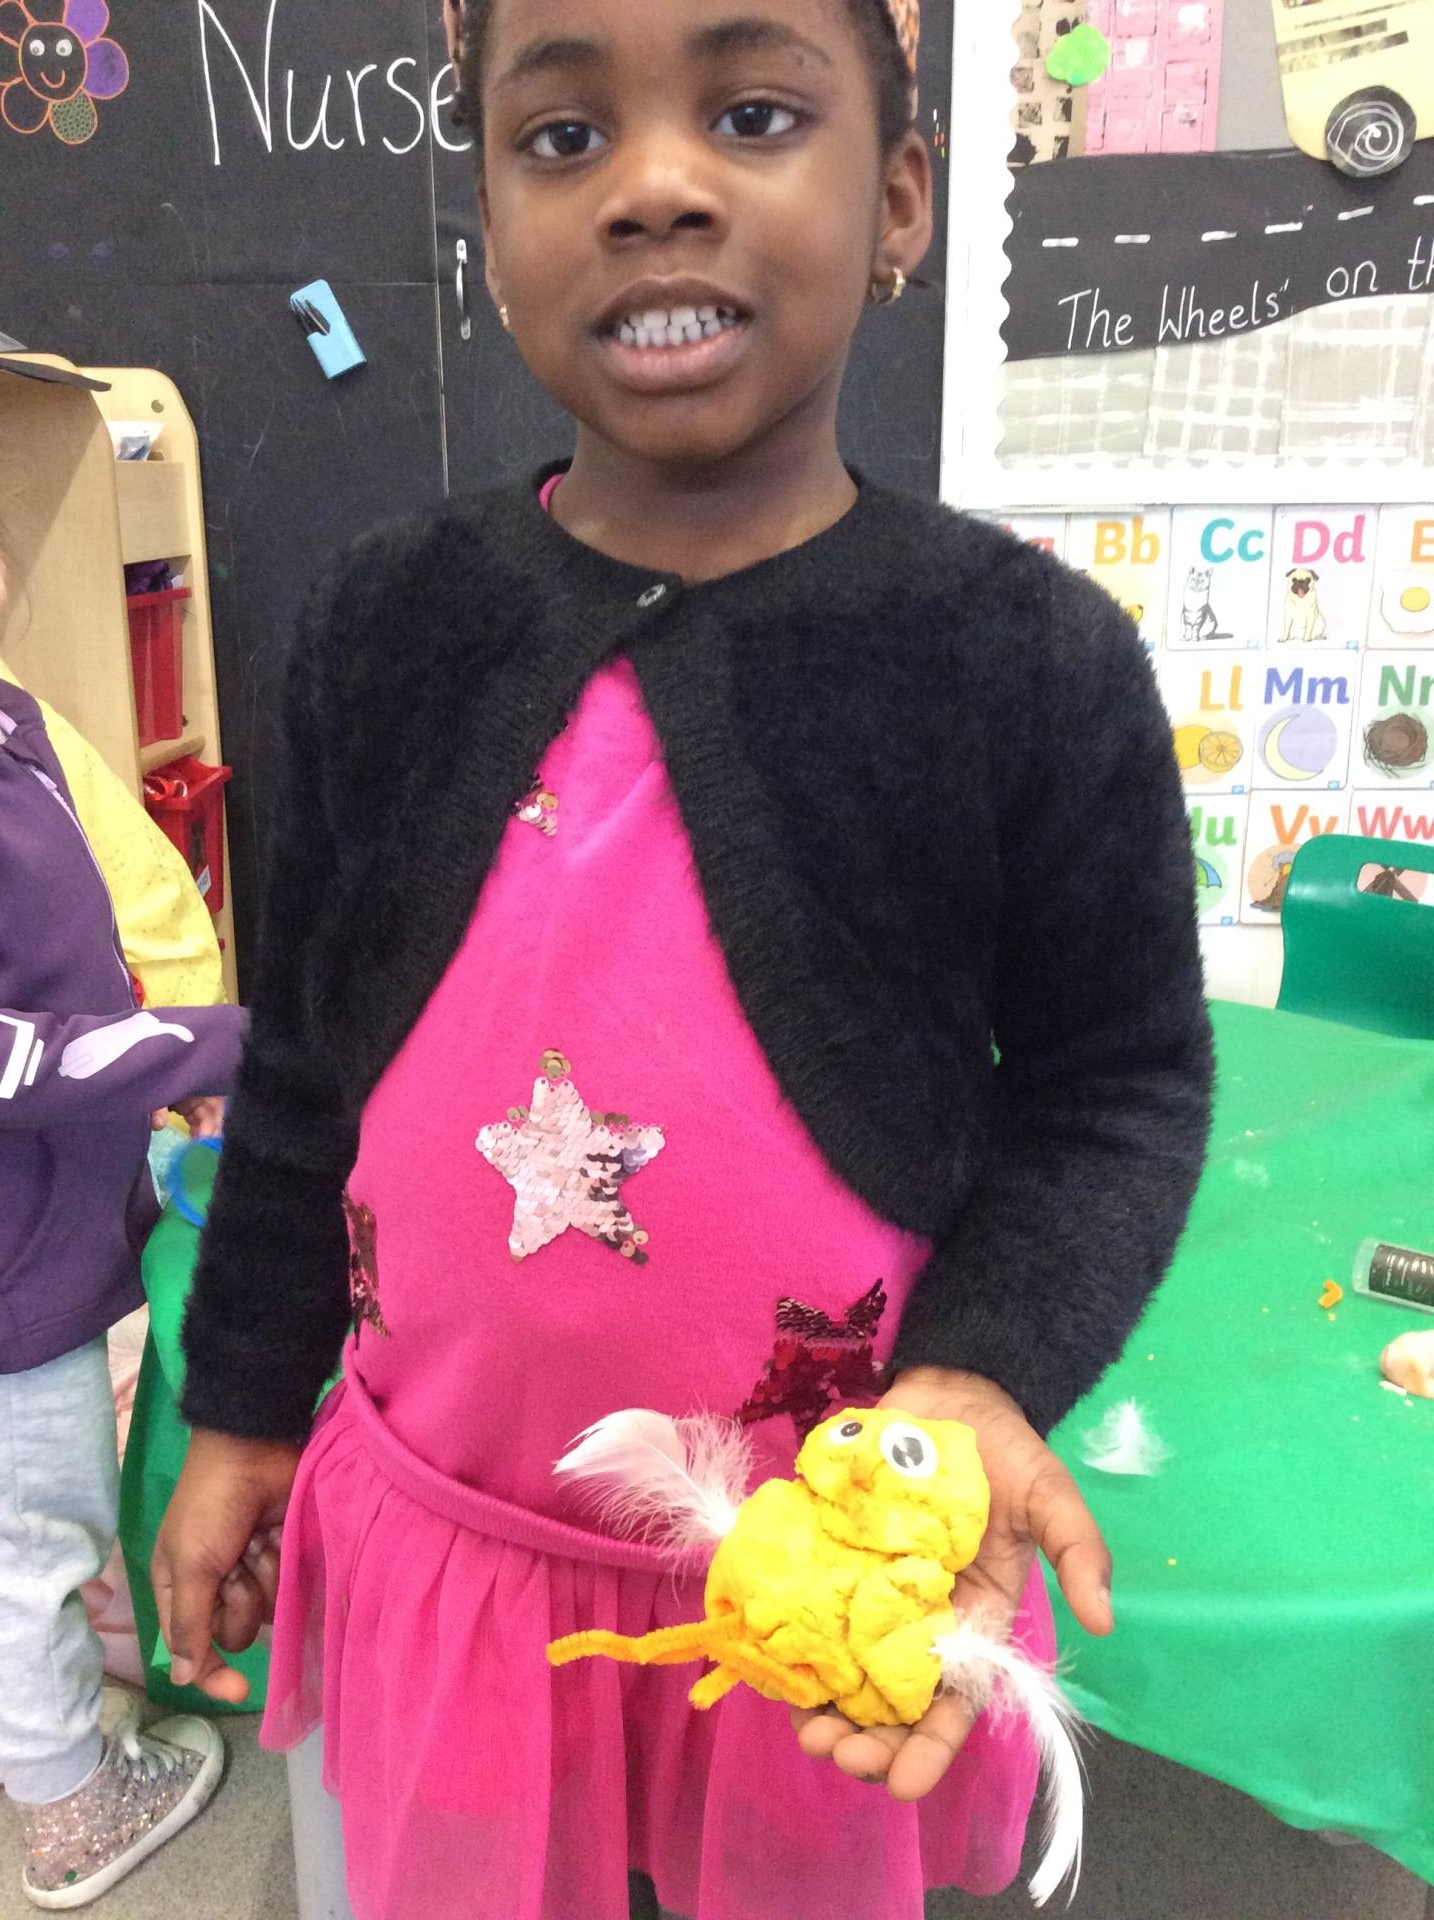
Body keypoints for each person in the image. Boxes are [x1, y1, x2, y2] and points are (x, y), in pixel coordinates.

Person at [156, 3, 1213, 1917]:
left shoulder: (1025, 661)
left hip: (819, 1575)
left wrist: (983, 1375)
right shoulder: (383, 622)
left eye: (752, 113)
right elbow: (303, 1062)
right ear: (489, 221)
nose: (652, 188)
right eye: (562, 138)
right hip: (450, 1557)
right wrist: (239, 1405)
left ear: (898, 200)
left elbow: (1114, 1087)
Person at [0, 549, 247, 1911]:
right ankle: (69, 1809)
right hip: (10, 1270)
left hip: (50, 1211)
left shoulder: (13, 718)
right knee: (31, 1543)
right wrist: (211, 1045)